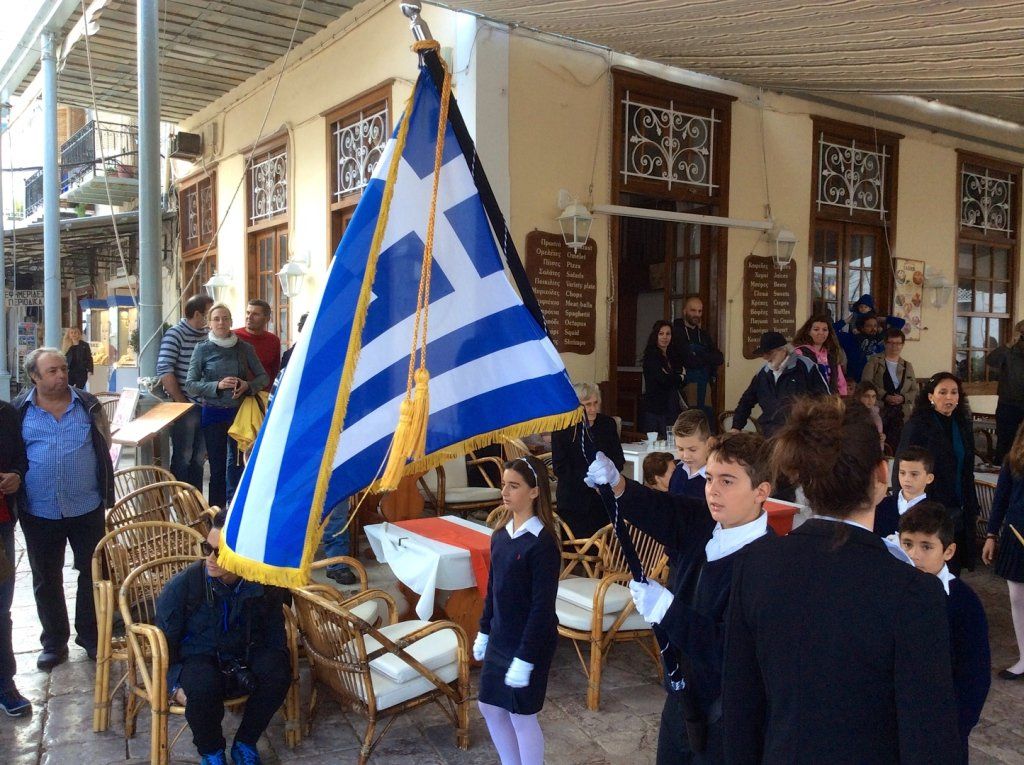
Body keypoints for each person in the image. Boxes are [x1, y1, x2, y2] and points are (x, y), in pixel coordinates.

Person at [722, 396, 960, 763]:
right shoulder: (913, 591)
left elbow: (740, 710)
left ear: (801, 476)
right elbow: (929, 737)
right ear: (881, 474)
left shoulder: (756, 565)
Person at [585, 433, 772, 764]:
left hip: (724, 718)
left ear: (761, 491)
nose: (713, 490)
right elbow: (661, 509)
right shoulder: (705, 522)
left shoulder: (767, 562)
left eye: (727, 481)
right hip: (680, 698)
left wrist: (668, 610)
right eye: (710, 478)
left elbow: (731, 652)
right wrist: (618, 485)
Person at [156, 509, 291, 765]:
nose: (209, 558)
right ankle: (212, 753)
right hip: (200, 658)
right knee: (202, 684)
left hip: (244, 655)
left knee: (278, 671)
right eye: (207, 547)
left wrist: (271, 665)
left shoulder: (264, 582)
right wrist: (173, 685)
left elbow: (275, 638)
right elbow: (164, 645)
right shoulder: (184, 586)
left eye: (219, 552)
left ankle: (245, 742)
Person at [13, 347, 115, 670]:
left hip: (86, 506)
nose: (61, 376)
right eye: (52, 371)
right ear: (35, 376)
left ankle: (91, 635)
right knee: (46, 576)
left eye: (63, 369)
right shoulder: (20, 412)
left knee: (93, 572)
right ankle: (54, 641)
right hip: (39, 509)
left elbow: (104, 444)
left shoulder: (88, 405)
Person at [474, 456, 560, 765]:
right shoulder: (500, 536)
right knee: (489, 706)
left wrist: (525, 657)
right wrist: (485, 629)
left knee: (521, 715)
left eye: (514, 486)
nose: (505, 492)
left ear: (535, 492)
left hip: (530, 641)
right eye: (503, 485)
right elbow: (493, 589)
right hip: (501, 636)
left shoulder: (543, 544)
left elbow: (542, 609)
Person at [899, 502, 990, 764]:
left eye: (926, 546)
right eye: (907, 544)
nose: (914, 555)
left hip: (945, 727)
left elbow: (975, 674)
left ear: (948, 551)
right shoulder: (893, 591)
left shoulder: (964, 602)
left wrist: (956, 727)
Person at [185, 304, 268, 510]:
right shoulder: (202, 348)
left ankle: (239, 513)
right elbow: (191, 384)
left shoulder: (244, 348)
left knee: (238, 466)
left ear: (231, 321)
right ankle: (217, 517)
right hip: (213, 414)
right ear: (209, 323)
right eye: (216, 319)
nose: (221, 322)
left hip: (240, 415)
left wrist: (248, 385)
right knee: (217, 467)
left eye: (225, 318)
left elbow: (263, 377)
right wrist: (217, 386)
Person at [898, 372, 979, 573]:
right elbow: (904, 466)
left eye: (954, 393)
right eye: (942, 392)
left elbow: (967, 469)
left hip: (959, 505)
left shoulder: (962, 424)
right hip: (929, 505)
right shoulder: (918, 426)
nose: (949, 397)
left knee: (953, 567)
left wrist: (972, 504)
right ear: (930, 396)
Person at [551, 382, 624, 538]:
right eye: (587, 405)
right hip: (574, 494)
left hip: (603, 491)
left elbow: (618, 459)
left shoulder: (607, 424)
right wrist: (590, 481)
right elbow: (560, 469)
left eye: (595, 403)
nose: (593, 409)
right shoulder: (562, 429)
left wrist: (605, 478)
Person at [982, 420, 1024, 681]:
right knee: (1017, 598)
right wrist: (990, 534)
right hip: (1016, 535)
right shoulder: (1013, 458)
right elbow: (1001, 498)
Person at [157, 293, 213, 489]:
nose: (212, 319)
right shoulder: (175, 334)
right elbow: (165, 369)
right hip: (186, 407)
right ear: (197, 314)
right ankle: (180, 503)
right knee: (183, 457)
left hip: (207, 406)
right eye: (209, 314)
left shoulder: (208, 335)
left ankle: (195, 504)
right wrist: (182, 403)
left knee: (199, 458)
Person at [731, 331, 829, 439]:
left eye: (769, 353)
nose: (765, 357)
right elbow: (746, 401)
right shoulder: (762, 374)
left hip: (798, 434)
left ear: (783, 350)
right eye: (763, 354)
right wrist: (736, 426)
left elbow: (824, 400)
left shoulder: (805, 367)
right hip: (769, 433)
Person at [0, 399, 28, 715]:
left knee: (0, 607)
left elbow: (21, 458)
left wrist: (16, 475)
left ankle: (5, 684)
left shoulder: (5, 413)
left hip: (1, 521)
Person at [861, 327, 918, 452]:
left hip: (901, 414)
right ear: (885, 344)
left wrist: (902, 398)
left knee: (899, 448)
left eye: (898, 343)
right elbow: (866, 382)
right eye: (891, 343)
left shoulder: (907, 366)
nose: (894, 347)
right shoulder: (874, 361)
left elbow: (914, 390)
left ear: (902, 345)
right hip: (880, 410)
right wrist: (884, 395)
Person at [672, 297, 723, 425]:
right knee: (689, 423)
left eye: (699, 311)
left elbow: (719, 358)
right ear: (684, 311)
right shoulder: (676, 333)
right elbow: (690, 361)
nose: (697, 314)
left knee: (705, 424)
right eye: (693, 310)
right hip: (686, 386)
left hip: (705, 386)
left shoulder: (704, 335)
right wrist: (706, 357)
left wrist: (699, 355)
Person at [874, 446, 934, 538]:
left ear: (929, 478)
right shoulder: (882, 504)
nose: (907, 479)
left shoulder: (933, 513)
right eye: (902, 473)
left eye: (914, 474)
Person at [986, 320, 1024, 465]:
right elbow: (991, 361)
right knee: (1005, 445)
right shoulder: (1008, 351)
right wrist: (1009, 343)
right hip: (1008, 406)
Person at [640, 320, 685, 440]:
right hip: (655, 408)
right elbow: (662, 380)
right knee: (654, 445)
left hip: (671, 408)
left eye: (668, 334)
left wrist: (675, 378)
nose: (665, 337)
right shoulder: (651, 356)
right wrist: (678, 377)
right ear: (655, 335)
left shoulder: (672, 356)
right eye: (661, 333)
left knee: (671, 441)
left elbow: (681, 380)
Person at [793, 314, 847, 395]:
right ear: (808, 331)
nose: (821, 333)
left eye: (825, 330)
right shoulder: (800, 353)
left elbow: (840, 381)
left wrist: (842, 399)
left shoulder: (831, 354)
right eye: (816, 329)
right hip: (809, 401)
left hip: (831, 401)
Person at [234, 299, 282, 384]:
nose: (249, 317)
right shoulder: (233, 336)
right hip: (237, 391)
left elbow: (274, 371)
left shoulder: (273, 340)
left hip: (264, 392)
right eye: (248, 313)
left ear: (267, 319)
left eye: (255, 314)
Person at [667, 409, 711, 500]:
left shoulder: (715, 479)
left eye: (692, 449)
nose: (686, 456)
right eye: (680, 449)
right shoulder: (678, 471)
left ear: (709, 444)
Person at [853, 379, 884, 447]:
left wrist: (882, 438)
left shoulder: (876, 414)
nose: (871, 400)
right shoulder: (852, 414)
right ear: (858, 396)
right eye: (866, 396)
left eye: (873, 396)